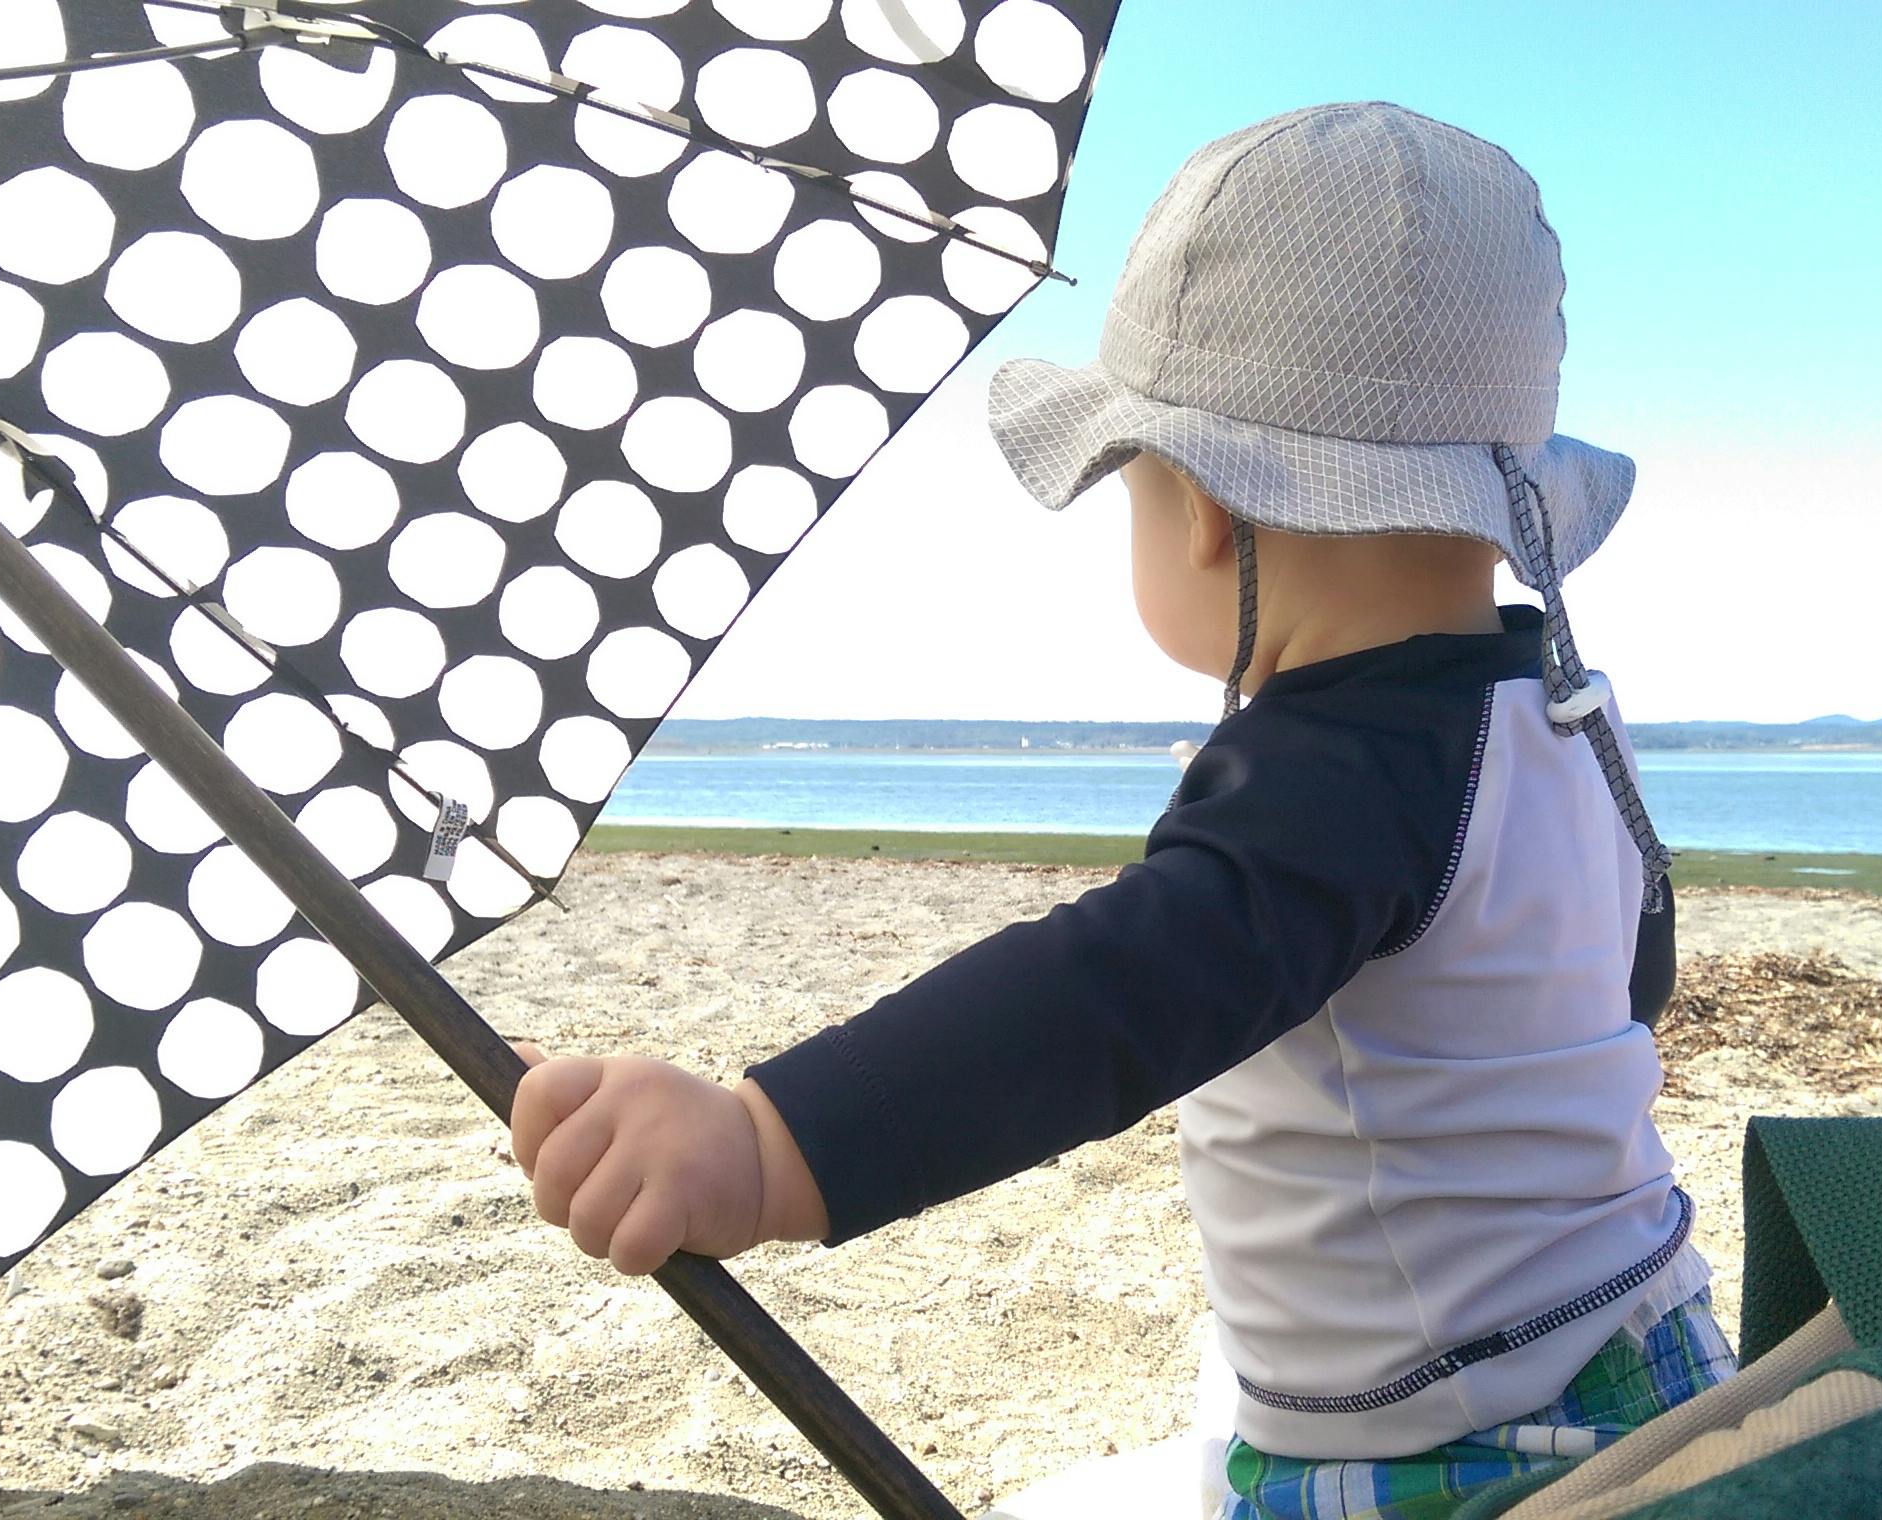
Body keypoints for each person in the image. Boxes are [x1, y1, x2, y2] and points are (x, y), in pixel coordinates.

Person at [509, 103, 1735, 1517]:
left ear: (1207, 509)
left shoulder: (1335, 775)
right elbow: (1628, 978)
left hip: (1456, 1452)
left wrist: (770, 1142)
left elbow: (1110, 998)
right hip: (1639, 1342)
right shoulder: (1560, 710)